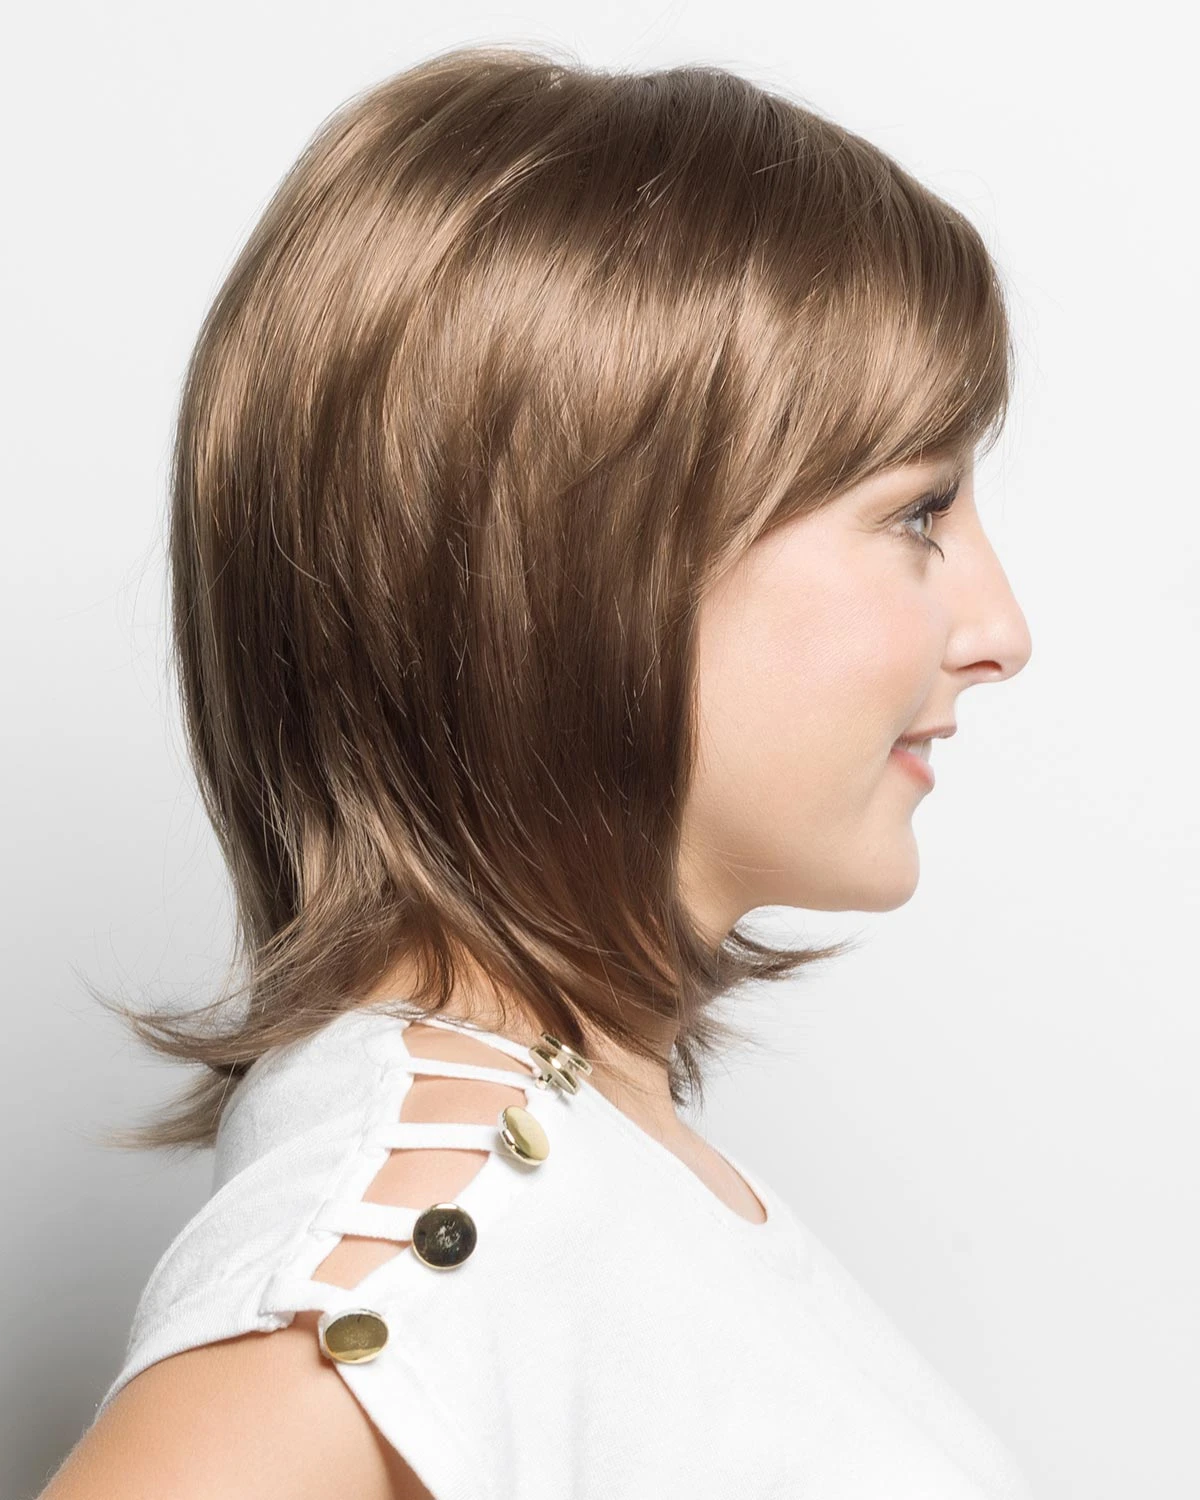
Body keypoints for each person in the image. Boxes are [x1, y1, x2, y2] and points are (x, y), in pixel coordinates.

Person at [40, 41, 1034, 1500]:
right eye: (919, 513)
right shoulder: (438, 1232)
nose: (1002, 633)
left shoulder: (570, 1174)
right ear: (583, 571)